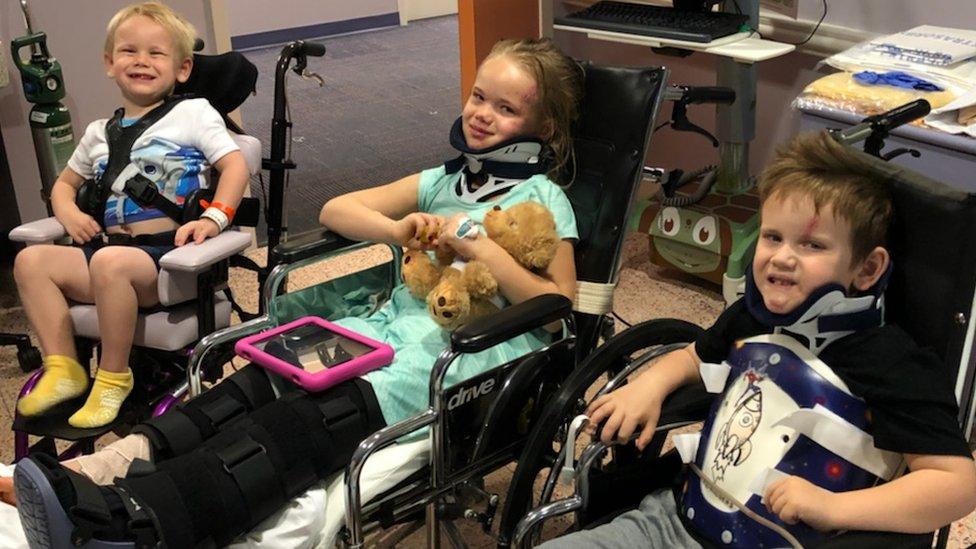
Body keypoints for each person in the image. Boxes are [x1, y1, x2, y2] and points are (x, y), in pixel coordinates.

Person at [6, 37, 583, 548]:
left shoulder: (544, 197)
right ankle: (99, 472)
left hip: (448, 362)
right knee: (249, 388)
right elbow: (338, 207)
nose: (482, 114)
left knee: (286, 428)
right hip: (375, 332)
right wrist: (397, 229)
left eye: (506, 109)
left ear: (544, 128)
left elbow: (560, 305)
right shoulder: (441, 179)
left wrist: (483, 249)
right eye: (480, 96)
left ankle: (131, 522)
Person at [538, 131, 976, 548]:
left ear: (867, 269)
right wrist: (650, 384)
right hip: (674, 521)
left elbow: (957, 486)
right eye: (773, 237)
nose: (782, 257)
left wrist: (834, 507)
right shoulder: (750, 316)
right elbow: (694, 356)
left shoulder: (893, 363)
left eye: (812, 245)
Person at [12, 2, 249, 429]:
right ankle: (64, 368)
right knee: (31, 261)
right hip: (108, 257)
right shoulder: (98, 132)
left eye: (156, 53)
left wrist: (214, 218)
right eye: (129, 51)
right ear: (109, 62)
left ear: (181, 68)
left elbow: (235, 165)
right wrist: (67, 214)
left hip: (166, 262)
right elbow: (63, 186)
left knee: (109, 262)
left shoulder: (192, 114)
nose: (141, 60)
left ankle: (113, 377)